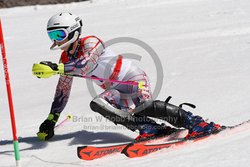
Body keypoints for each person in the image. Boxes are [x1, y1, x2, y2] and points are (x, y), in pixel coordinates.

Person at [32, 12, 222, 141]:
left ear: (73, 31)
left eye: (59, 34)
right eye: (52, 36)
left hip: (133, 79)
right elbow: (62, 90)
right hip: (115, 89)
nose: (56, 40)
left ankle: (197, 122)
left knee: (143, 107)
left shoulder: (91, 42)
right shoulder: (65, 59)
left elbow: (84, 65)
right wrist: (51, 119)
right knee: (98, 103)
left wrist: (57, 67)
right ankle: (150, 129)